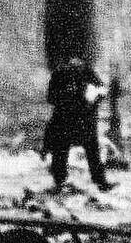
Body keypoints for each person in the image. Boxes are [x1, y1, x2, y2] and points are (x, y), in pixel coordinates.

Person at [45, 56, 112, 191]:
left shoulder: (86, 72)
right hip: (65, 119)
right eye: (72, 60)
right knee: (61, 151)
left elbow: (102, 90)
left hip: (83, 119)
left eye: (77, 61)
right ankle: (59, 182)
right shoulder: (59, 74)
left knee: (92, 150)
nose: (74, 63)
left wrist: (93, 99)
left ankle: (100, 182)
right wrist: (67, 99)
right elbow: (51, 97)